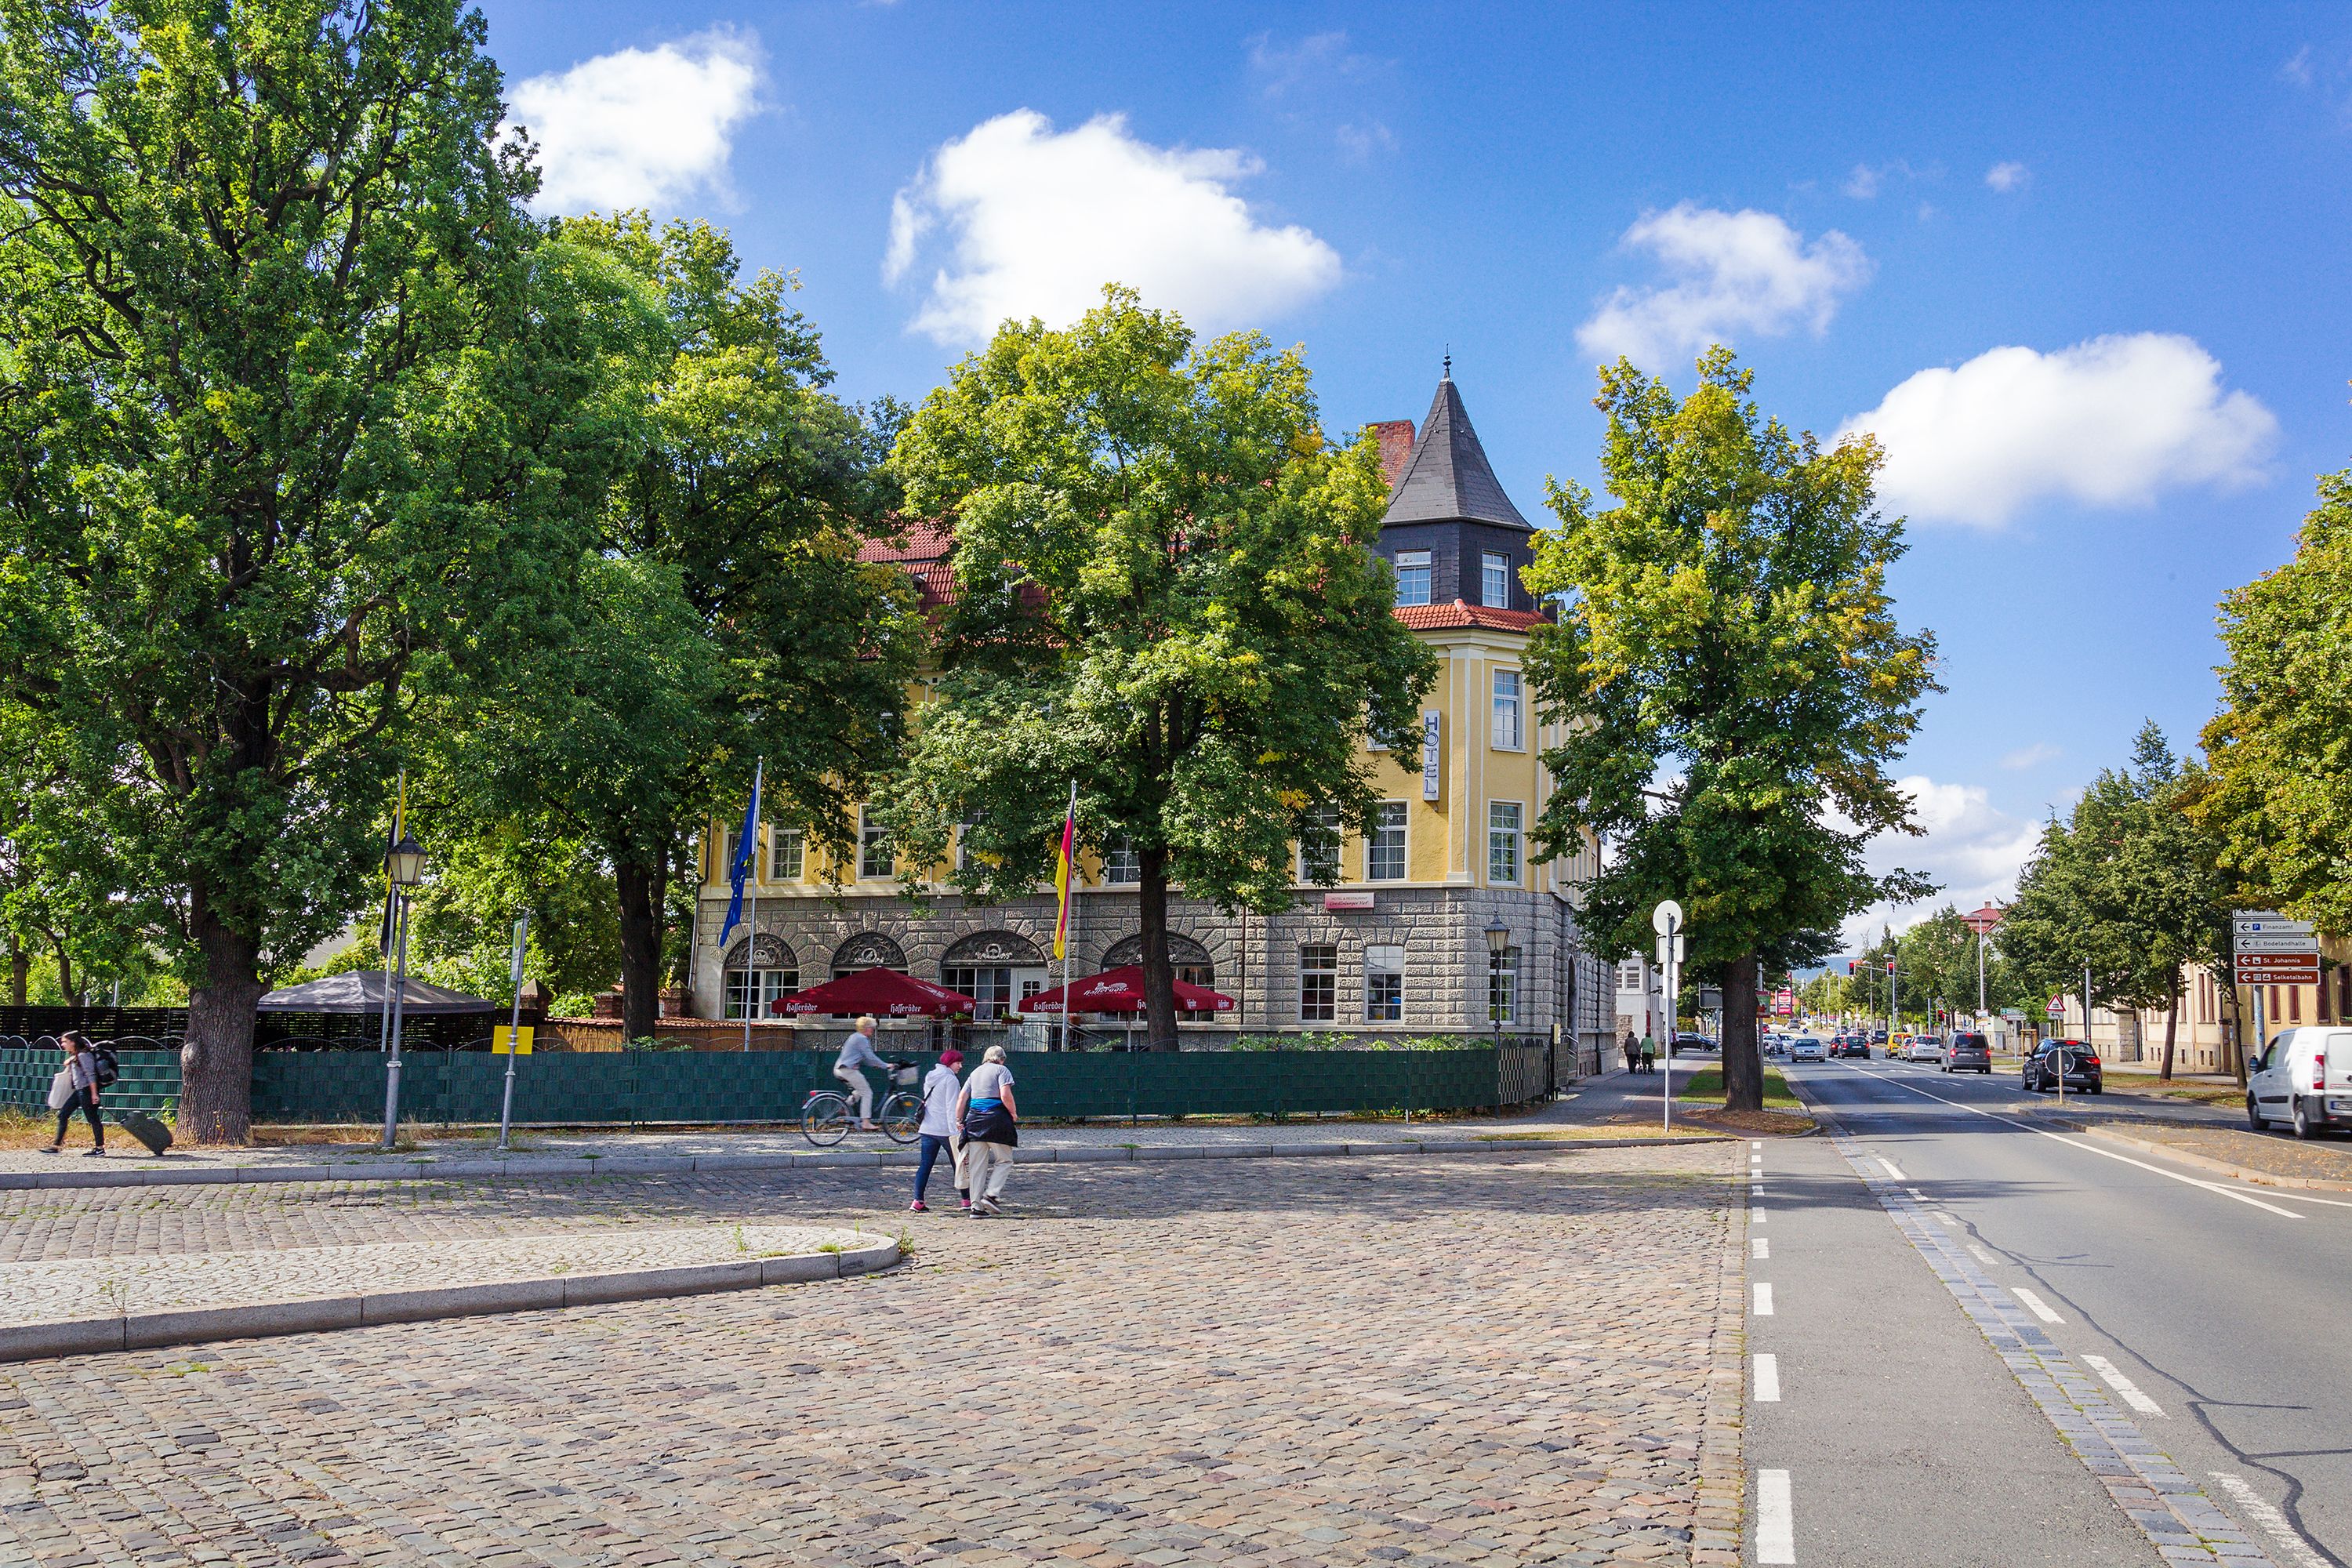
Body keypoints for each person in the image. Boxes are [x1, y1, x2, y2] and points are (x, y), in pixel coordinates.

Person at [956, 1044, 1019, 1216]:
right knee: (1004, 1160)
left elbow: (963, 1097)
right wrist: (1013, 1113)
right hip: (996, 1120)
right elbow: (1005, 1094)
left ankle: (975, 1207)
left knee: (977, 1166)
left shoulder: (974, 1072)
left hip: (974, 1121)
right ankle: (991, 1195)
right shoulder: (1002, 1070)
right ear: (1001, 1059)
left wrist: (958, 1120)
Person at [910, 1047, 968, 1213]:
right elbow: (952, 1108)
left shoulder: (931, 1076)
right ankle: (966, 1200)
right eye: (958, 1063)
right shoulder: (950, 1080)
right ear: (950, 1063)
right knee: (959, 1165)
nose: (960, 1066)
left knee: (925, 1165)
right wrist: (956, 1131)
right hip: (945, 1130)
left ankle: (917, 1200)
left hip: (928, 1127)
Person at [42, 1033, 104, 1156]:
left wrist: (94, 1094)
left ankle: (100, 1148)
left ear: (73, 1042)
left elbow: (90, 1074)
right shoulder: (77, 1055)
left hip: (87, 1091)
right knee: (63, 1114)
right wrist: (70, 1060)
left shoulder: (83, 1055)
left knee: (93, 1119)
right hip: (79, 1091)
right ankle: (56, 1146)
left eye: (65, 1042)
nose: (62, 1044)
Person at [834, 1014, 887, 1131]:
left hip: (840, 1069)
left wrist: (876, 1065)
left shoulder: (854, 1037)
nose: (873, 1031)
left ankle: (845, 1107)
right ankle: (866, 1122)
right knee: (867, 1092)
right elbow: (870, 1057)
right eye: (872, 1028)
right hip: (847, 1070)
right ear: (867, 1028)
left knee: (859, 1090)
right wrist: (886, 1065)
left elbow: (865, 1058)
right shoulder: (862, 1039)